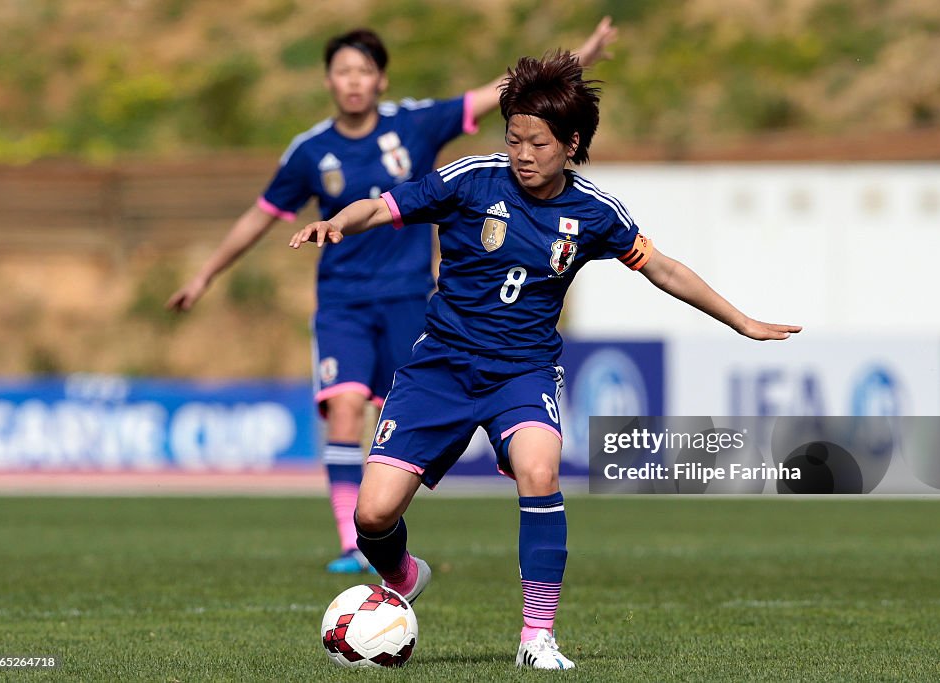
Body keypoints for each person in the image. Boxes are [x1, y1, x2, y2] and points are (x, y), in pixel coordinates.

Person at [289, 51, 802, 668]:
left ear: (572, 144)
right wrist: (338, 223)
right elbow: (383, 205)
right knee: (372, 515)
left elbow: (661, 267)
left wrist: (741, 320)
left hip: (522, 371)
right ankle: (402, 573)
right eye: (513, 139)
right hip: (441, 367)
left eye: (537, 142)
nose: (522, 153)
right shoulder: (471, 179)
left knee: (540, 467)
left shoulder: (594, 213)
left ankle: (537, 638)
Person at [166, 21, 618, 574]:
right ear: (328, 81)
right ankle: (350, 542)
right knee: (345, 408)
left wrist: (575, 60)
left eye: (363, 71)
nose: (353, 82)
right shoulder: (311, 151)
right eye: (341, 72)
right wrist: (207, 273)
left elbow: (511, 95)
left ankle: (515, 611)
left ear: (381, 79)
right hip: (343, 303)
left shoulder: (418, 124)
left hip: (412, 300)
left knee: (412, 426)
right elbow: (261, 215)